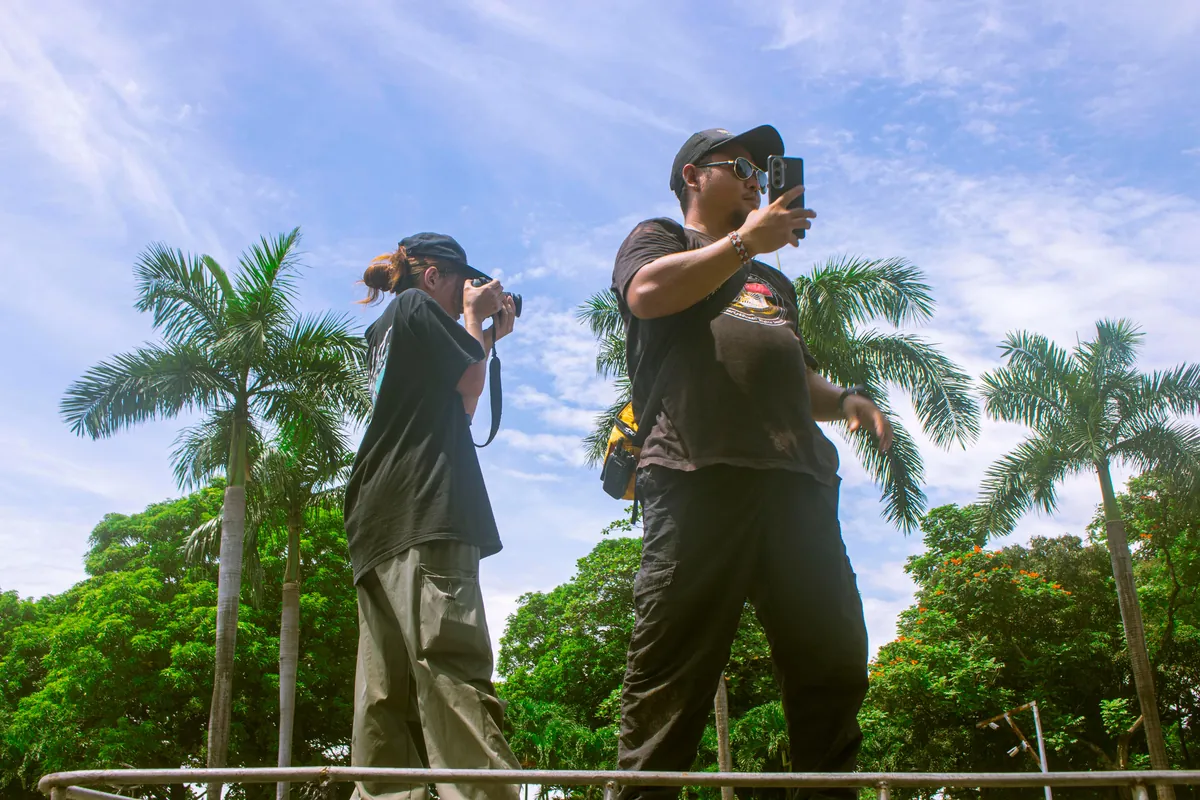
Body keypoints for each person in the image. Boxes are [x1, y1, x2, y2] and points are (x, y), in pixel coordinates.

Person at [610, 126, 895, 800]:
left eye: (758, 170)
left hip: (796, 486)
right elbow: (647, 295)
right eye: (738, 165)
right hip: (695, 476)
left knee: (833, 662)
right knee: (670, 676)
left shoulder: (771, 281)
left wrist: (848, 400)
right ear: (691, 177)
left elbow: (796, 374)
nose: (753, 179)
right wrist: (742, 243)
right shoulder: (658, 240)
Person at [344, 232, 520, 800]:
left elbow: (460, 407)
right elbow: (470, 384)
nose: (466, 296)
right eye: (462, 285)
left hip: (376, 519)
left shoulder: (385, 326)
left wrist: (484, 335)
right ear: (433, 276)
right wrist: (475, 321)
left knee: (384, 692)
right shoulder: (421, 305)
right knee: (450, 668)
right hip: (424, 508)